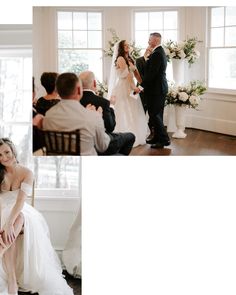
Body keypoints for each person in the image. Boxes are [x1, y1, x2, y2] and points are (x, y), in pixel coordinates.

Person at [0, 138, 73, 295]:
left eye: (6, 152)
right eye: (0, 155)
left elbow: (20, 202)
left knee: (16, 218)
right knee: (8, 221)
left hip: (21, 212)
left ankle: (1, 249)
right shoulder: (0, 174)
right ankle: (11, 278)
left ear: (13, 150)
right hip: (2, 211)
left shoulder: (27, 173)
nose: (4, 157)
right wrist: (5, 222)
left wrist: (8, 223)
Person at [43, 72, 110, 155]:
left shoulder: (48, 115)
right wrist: (99, 119)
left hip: (57, 163)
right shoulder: (93, 116)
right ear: (79, 90)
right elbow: (103, 146)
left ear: (57, 90)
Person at [79, 70, 135, 155]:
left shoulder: (74, 101)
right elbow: (110, 127)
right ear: (94, 83)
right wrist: (112, 105)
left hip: (80, 144)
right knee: (130, 136)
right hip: (101, 144)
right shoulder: (103, 102)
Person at [108, 40, 148, 147]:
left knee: (133, 109)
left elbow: (135, 74)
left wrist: (142, 84)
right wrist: (134, 87)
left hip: (131, 86)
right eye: (124, 45)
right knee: (124, 109)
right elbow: (126, 75)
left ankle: (135, 134)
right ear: (121, 47)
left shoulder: (130, 59)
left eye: (128, 45)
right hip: (124, 86)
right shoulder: (120, 59)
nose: (127, 47)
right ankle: (124, 135)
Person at [141, 32, 170, 149]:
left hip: (157, 89)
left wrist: (141, 86)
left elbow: (151, 74)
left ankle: (164, 139)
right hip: (158, 88)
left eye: (150, 39)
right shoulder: (158, 52)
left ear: (156, 40)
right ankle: (157, 138)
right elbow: (152, 69)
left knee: (155, 114)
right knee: (157, 114)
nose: (148, 41)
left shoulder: (157, 53)